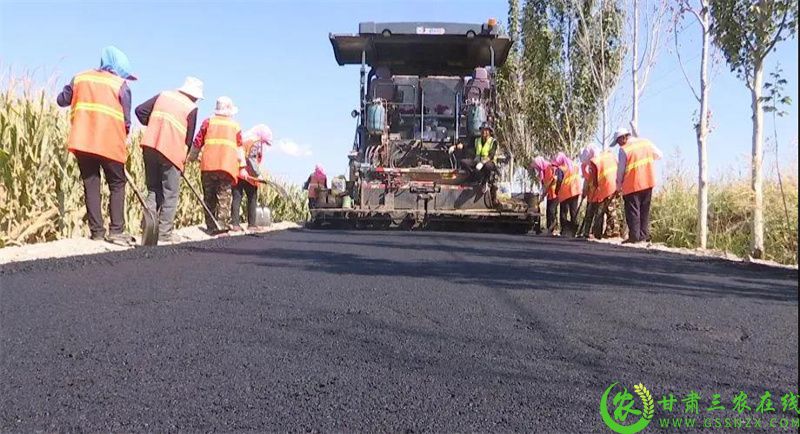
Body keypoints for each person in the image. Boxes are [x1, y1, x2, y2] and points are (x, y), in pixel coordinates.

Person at [56, 46, 136, 246]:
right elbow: (126, 120)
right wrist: (124, 136)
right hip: (110, 142)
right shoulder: (120, 85)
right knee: (117, 184)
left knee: (91, 183)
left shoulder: (80, 78)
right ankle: (116, 230)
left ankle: (97, 232)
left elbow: (61, 100)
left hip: (83, 141)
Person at [135, 76, 202, 243]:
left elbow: (140, 111)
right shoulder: (191, 107)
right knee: (170, 193)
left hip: (150, 145)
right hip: (171, 151)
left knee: (152, 189)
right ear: (194, 95)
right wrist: (182, 161)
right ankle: (164, 233)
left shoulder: (164, 95)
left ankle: (148, 230)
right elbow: (188, 138)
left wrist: (154, 125)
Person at [187, 96, 243, 234]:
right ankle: (222, 225)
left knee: (209, 196)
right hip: (226, 167)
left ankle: (210, 226)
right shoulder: (235, 126)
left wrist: (191, 158)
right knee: (224, 196)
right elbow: (240, 148)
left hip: (208, 166)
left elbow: (198, 141)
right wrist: (242, 167)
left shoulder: (208, 122)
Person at [612, 127, 663, 243]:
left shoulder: (624, 150)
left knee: (633, 211)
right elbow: (659, 155)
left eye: (618, 142)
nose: (618, 145)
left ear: (623, 138)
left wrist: (618, 186)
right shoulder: (646, 143)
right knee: (645, 210)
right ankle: (643, 236)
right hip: (648, 182)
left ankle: (634, 237)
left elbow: (621, 170)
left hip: (632, 185)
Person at [231, 124, 273, 232]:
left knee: (237, 198)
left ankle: (235, 224)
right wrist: (258, 175)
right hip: (249, 175)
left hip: (237, 172)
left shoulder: (245, 138)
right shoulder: (255, 142)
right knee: (252, 198)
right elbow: (252, 160)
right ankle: (252, 225)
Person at [579, 145, 619, 239]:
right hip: (612, 186)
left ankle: (602, 233)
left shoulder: (595, 161)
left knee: (602, 212)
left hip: (602, 190)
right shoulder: (608, 156)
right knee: (608, 211)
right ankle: (605, 232)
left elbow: (595, 180)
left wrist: (591, 190)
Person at [460, 123, 498, 190]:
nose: (484, 132)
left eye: (486, 130)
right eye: (482, 130)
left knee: (488, 166)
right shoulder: (477, 140)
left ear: (489, 132)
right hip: (477, 161)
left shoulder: (493, 142)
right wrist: (457, 146)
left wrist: (482, 162)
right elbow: (467, 146)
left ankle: (485, 181)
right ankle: (475, 177)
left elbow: (491, 155)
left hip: (488, 162)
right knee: (464, 162)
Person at [554, 152, 582, 236]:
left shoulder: (561, 168)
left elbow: (559, 180)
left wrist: (557, 190)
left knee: (563, 212)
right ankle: (574, 230)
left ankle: (564, 230)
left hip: (565, 192)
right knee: (574, 212)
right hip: (575, 191)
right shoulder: (575, 166)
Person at [530, 156, 559, 235]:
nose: (536, 168)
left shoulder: (549, 168)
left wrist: (543, 194)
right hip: (549, 194)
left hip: (554, 193)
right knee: (548, 211)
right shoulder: (543, 171)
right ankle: (549, 229)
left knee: (551, 211)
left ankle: (553, 229)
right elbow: (544, 184)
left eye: (537, 166)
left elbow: (550, 182)